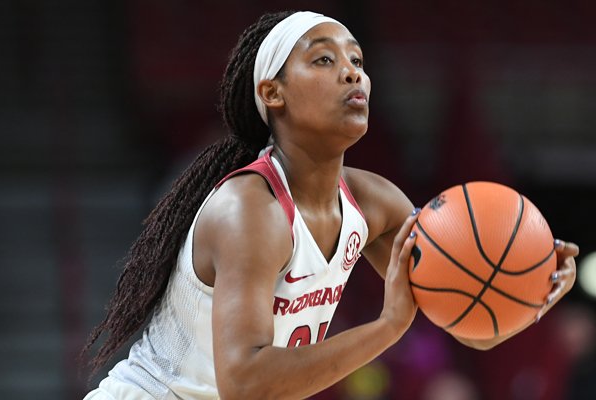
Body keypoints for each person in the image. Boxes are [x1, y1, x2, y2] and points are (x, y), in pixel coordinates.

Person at [81, 10, 579, 400]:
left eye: (358, 61)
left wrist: (528, 294)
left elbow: (466, 325)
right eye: (324, 60)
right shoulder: (249, 210)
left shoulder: (375, 203)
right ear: (272, 93)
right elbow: (246, 384)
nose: (351, 75)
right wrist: (386, 329)